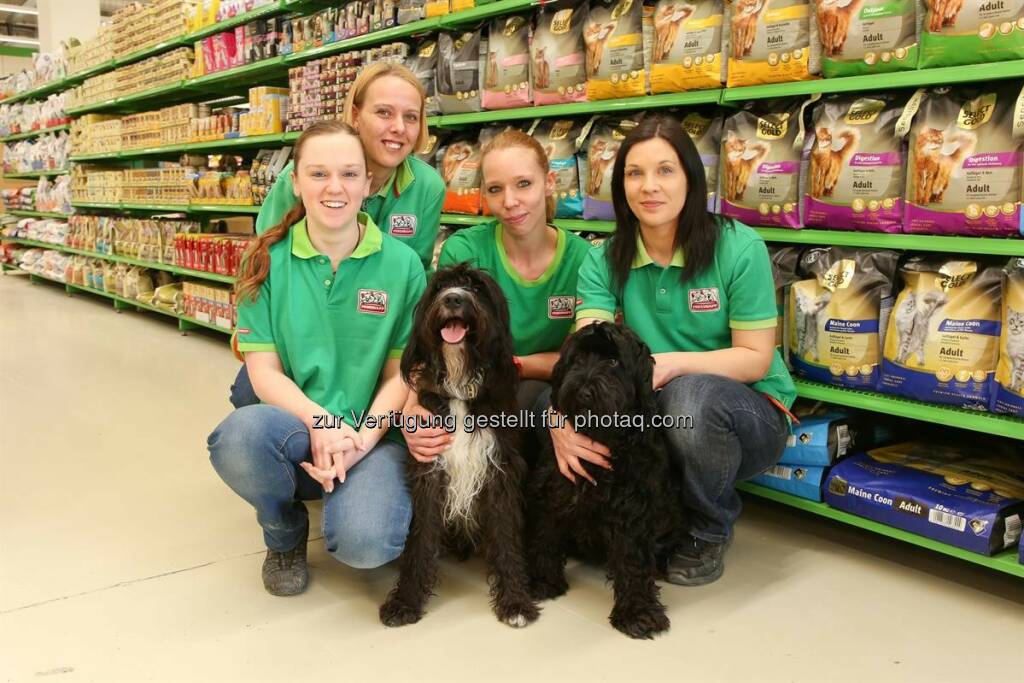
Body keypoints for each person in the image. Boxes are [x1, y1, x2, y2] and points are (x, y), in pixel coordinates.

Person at [555, 114, 796, 586]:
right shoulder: (603, 259)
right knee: (566, 399)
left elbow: (755, 358)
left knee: (687, 399)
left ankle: (708, 529)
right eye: (634, 173)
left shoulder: (737, 248)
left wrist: (673, 364)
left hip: (748, 412)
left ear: (691, 178)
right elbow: (585, 352)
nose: (650, 187)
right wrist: (558, 422)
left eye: (666, 171)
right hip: (655, 405)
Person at [207, 121, 427, 596]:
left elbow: (401, 375)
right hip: (296, 424)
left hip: (372, 432)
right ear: (295, 183)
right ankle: (284, 530)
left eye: (349, 174)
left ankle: (342, 486)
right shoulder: (263, 259)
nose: (334, 188)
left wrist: (361, 441)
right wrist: (322, 424)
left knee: (367, 547)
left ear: (368, 184)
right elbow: (261, 370)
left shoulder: (404, 265)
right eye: (318, 173)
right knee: (238, 439)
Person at [229, 62, 445, 408]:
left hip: (374, 333)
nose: (398, 128)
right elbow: (267, 256)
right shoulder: (300, 174)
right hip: (303, 333)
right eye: (384, 113)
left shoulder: (428, 186)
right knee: (250, 394)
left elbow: (416, 275)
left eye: (411, 117)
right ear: (356, 115)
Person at [402, 129, 592, 464]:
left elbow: (581, 361)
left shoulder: (582, 259)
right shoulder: (466, 250)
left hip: (542, 391)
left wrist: (519, 365)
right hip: (472, 387)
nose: (510, 201)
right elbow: (436, 340)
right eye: (495, 189)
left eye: (524, 184)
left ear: (549, 183)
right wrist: (411, 407)